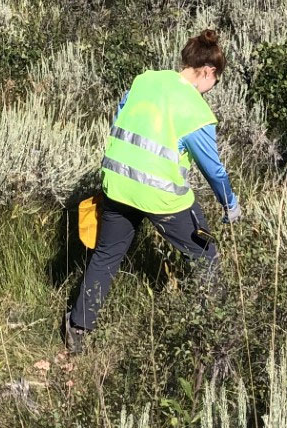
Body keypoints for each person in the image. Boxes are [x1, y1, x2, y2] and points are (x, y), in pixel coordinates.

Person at [64, 30, 241, 354]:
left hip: (117, 184)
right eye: (214, 81)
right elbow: (213, 169)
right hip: (162, 197)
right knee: (206, 258)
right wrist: (230, 203)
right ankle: (219, 337)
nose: (211, 90)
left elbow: (119, 117)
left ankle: (77, 330)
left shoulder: (146, 79)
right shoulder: (196, 110)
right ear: (208, 71)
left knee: (106, 256)